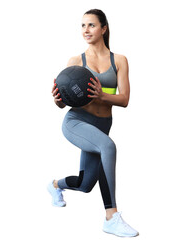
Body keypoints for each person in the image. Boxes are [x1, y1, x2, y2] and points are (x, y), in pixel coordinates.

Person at [48, 9, 139, 238]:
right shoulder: (76, 61)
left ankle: (55, 185)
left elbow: (125, 99)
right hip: (77, 121)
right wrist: (58, 100)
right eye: (82, 26)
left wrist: (102, 96)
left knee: (86, 183)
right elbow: (64, 103)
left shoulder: (119, 60)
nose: (86, 30)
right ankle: (111, 216)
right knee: (108, 146)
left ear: (103, 28)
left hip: (102, 124)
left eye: (91, 25)